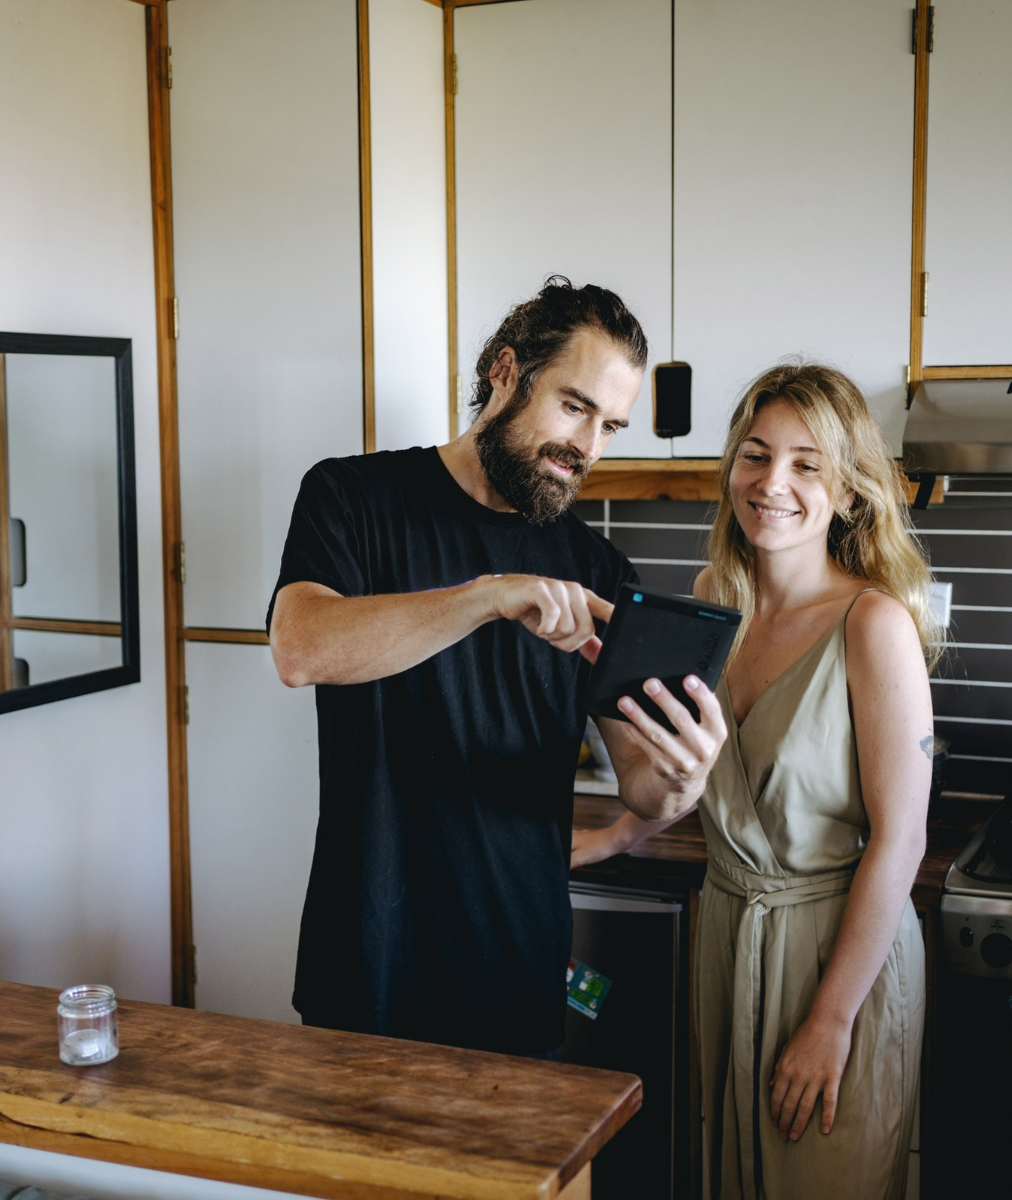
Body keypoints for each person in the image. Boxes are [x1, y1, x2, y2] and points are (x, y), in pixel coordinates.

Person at [268, 276, 728, 1057]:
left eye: (610, 426)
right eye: (575, 406)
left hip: (515, 965)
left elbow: (641, 781)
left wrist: (683, 779)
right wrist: (485, 597)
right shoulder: (352, 496)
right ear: (506, 372)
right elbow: (300, 647)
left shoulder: (599, 568)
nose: (588, 447)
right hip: (368, 957)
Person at [573, 362, 938, 1198]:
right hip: (729, 936)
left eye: (808, 463)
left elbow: (901, 841)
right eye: (756, 454)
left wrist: (831, 1021)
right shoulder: (715, 602)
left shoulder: (872, 622)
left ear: (848, 493)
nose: (773, 483)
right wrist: (617, 834)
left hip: (836, 955)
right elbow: (707, 775)